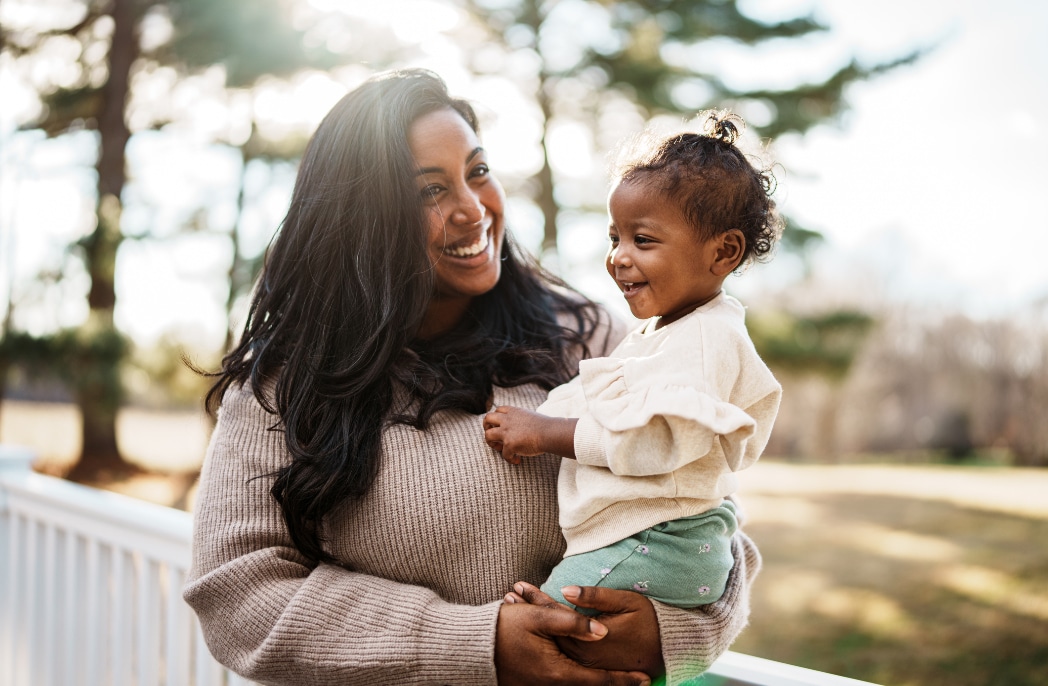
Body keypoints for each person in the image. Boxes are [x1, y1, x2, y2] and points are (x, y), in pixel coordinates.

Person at [183, 69, 761, 686]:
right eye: (429, 191)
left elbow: (705, 512)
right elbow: (237, 595)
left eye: (477, 172)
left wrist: (675, 635)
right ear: (362, 217)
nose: (472, 208)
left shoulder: (586, 337)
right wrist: (477, 644)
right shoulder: (285, 383)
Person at [483, 113, 782, 620]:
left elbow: (655, 439)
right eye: (614, 238)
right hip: (654, 537)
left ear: (723, 252)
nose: (618, 258)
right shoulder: (669, 331)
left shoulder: (705, 339)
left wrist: (544, 432)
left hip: (657, 541)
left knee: (543, 632)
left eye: (642, 240)